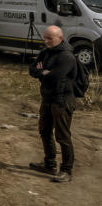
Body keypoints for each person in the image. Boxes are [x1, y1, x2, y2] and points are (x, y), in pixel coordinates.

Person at [27, 25, 78, 183]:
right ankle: (49, 164)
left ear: (60, 38)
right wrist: (43, 71)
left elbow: (55, 76)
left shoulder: (67, 56)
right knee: (44, 130)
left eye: (50, 38)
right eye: (45, 37)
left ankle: (66, 170)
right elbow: (32, 69)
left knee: (62, 136)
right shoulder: (45, 52)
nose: (46, 40)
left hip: (62, 101)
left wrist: (43, 72)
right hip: (48, 98)